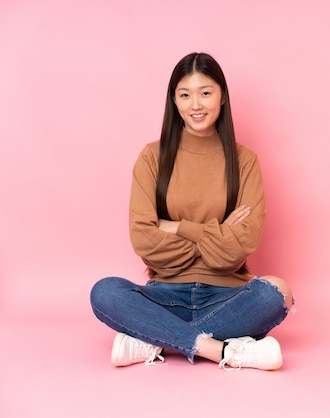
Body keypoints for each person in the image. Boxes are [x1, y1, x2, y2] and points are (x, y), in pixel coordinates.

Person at [90, 52, 293, 371]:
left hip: (227, 297)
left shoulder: (245, 161)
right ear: (174, 101)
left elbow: (236, 251)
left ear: (222, 97)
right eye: (185, 95)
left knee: (277, 292)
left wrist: (175, 227)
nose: (196, 104)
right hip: (164, 296)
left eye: (206, 92)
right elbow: (144, 240)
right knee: (105, 292)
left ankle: (154, 339)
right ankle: (221, 350)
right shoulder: (152, 158)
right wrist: (217, 232)